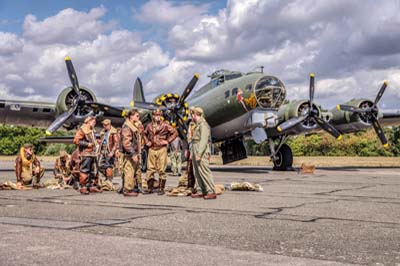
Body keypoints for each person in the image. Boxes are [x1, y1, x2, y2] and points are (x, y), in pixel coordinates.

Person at [144, 109, 178, 195]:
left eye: (159, 115)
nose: (157, 117)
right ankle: (150, 187)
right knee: (150, 169)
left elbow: (175, 132)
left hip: (161, 149)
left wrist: (168, 141)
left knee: (161, 169)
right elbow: (144, 134)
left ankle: (161, 188)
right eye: (155, 115)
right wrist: (147, 141)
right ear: (153, 116)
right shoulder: (149, 126)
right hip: (152, 148)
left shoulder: (165, 125)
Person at [189, 107, 217, 199]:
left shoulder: (203, 125)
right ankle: (201, 189)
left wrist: (199, 153)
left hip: (200, 148)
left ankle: (211, 191)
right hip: (194, 147)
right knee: (196, 171)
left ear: (195, 114)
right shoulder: (196, 124)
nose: (191, 116)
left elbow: (204, 140)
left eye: (192, 114)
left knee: (204, 170)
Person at [73, 116, 102, 194]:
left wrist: (97, 142)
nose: (95, 123)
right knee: (85, 170)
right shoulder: (82, 129)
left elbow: (93, 139)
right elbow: (76, 141)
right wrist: (87, 144)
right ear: (89, 121)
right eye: (93, 122)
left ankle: (91, 186)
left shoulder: (92, 130)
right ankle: (83, 187)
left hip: (93, 153)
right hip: (86, 153)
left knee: (93, 171)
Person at [120, 109, 142, 196]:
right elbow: (126, 143)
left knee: (135, 171)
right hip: (129, 154)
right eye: (137, 116)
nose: (138, 117)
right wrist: (133, 153)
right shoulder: (127, 127)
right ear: (131, 116)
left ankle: (134, 187)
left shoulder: (133, 126)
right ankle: (128, 190)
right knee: (129, 171)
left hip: (133, 152)